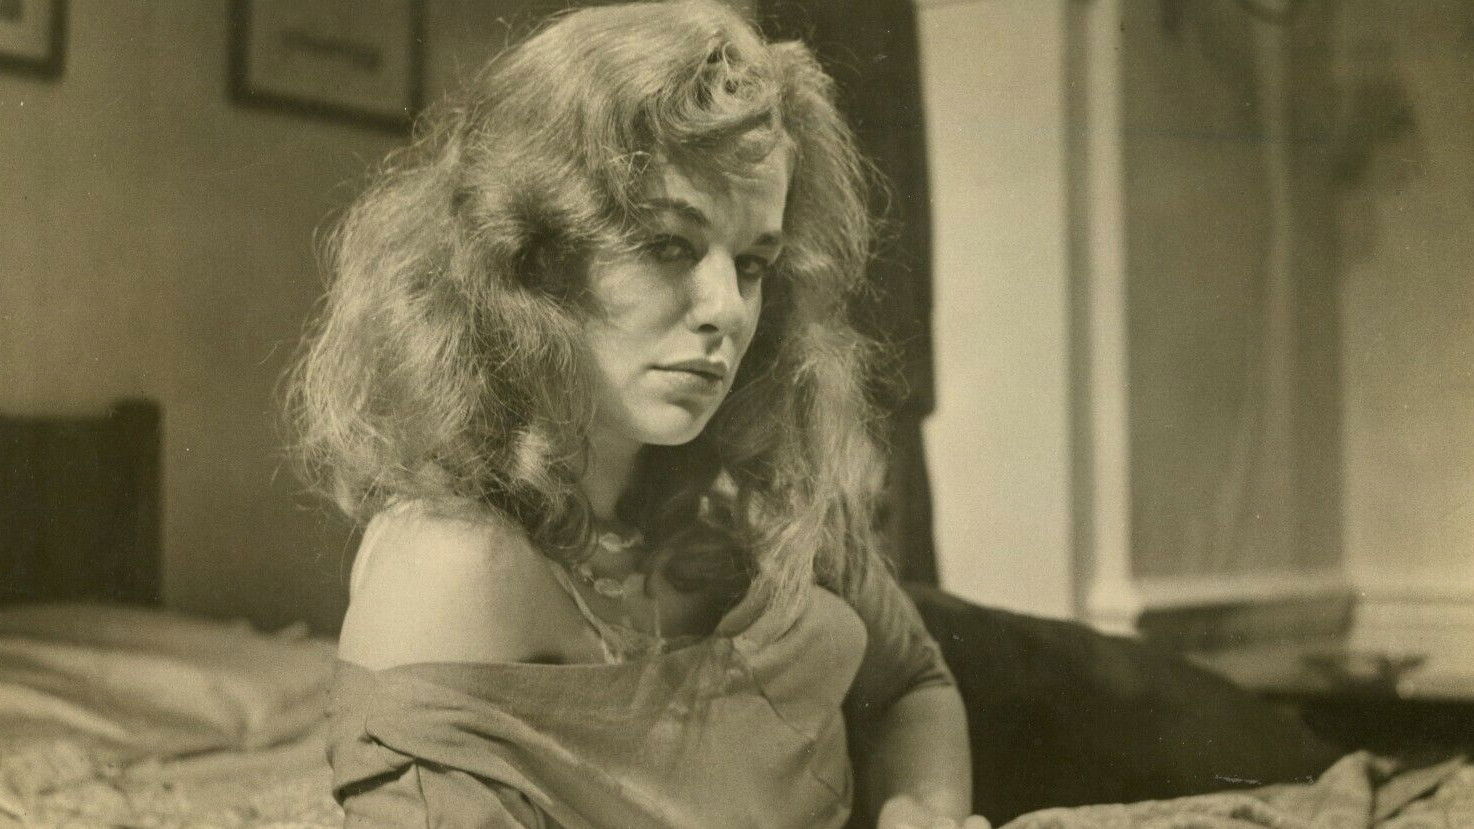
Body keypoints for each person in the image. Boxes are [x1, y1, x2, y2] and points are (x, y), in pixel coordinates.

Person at [288, 1, 988, 826]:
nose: (728, 309)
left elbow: (912, 682)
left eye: (753, 263)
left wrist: (920, 809)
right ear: (532, 257)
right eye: (669, 245)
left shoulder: (767, 486)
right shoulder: (452, 571)